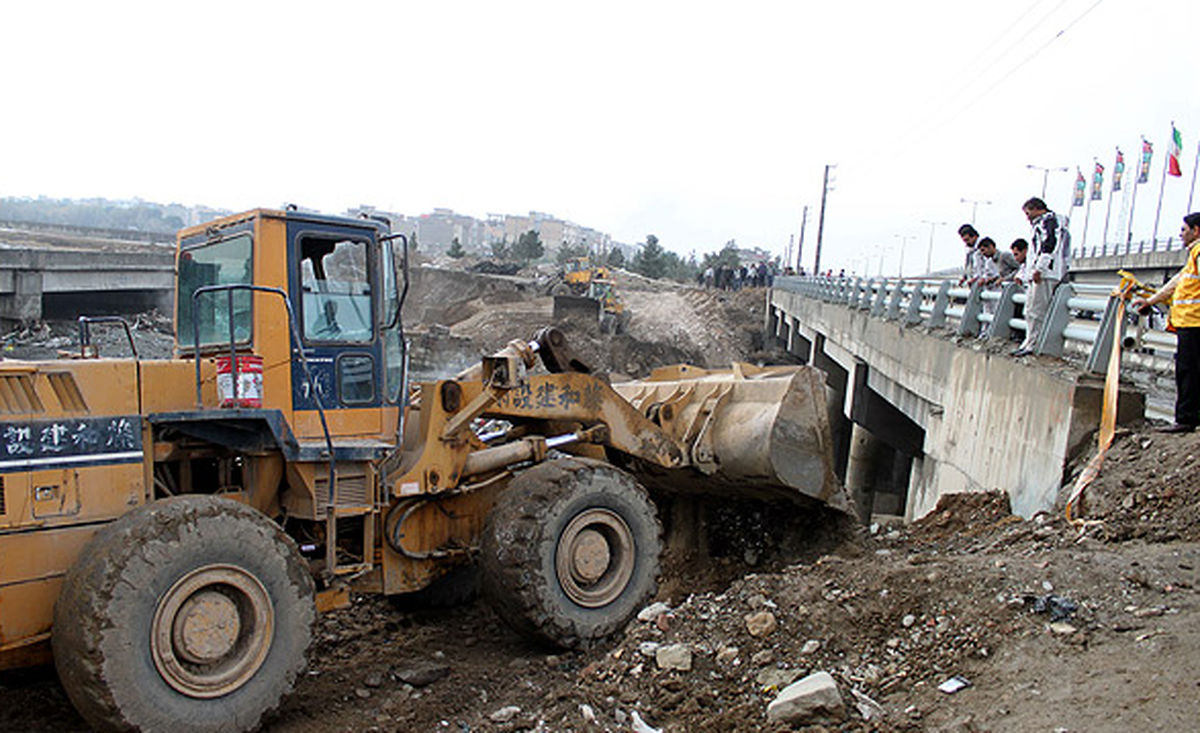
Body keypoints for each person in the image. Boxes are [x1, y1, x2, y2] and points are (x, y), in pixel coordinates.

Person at [1131, 212, 1200, 432]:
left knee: (1188, 371)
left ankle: (1186, 419)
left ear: (1196, 230)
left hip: (1194, 323)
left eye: (1184, 230)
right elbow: (1175, 283)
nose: (1181, 234)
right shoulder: (1193, 256)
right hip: (1189, 323)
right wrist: (1151, 300)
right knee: (1190, 371)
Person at [1012, 197, 1070, 357]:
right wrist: (1025, 273)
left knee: (1037, 310)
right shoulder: (1042, 223)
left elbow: (1049, 245)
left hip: (1046, 273)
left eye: (1028, 212)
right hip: (1040, 273)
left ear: (1037, 209)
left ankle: (1034, 343)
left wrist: (1040, 268)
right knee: (1030, 309)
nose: (1027, 216)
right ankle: (1029, 341)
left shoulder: (1049, 222)